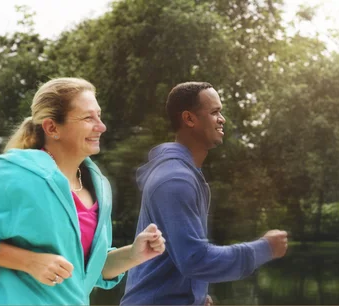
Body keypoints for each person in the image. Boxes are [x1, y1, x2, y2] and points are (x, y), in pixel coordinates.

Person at [0, 77, 166, 305]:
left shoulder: (100, 186)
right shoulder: (14, 175)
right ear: (52, 127)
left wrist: (133, 255)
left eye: (99, 115)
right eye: (88, 117)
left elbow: (86, 271)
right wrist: (29, 261)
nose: (101, 126)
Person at [120, 82, 288, 306]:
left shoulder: (186, 174)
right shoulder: (175, 180)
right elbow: (195, 260)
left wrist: (196, 297)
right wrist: (264, 248)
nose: (222, 119)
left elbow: (179, 252)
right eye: (214, 112)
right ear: (189, 119)